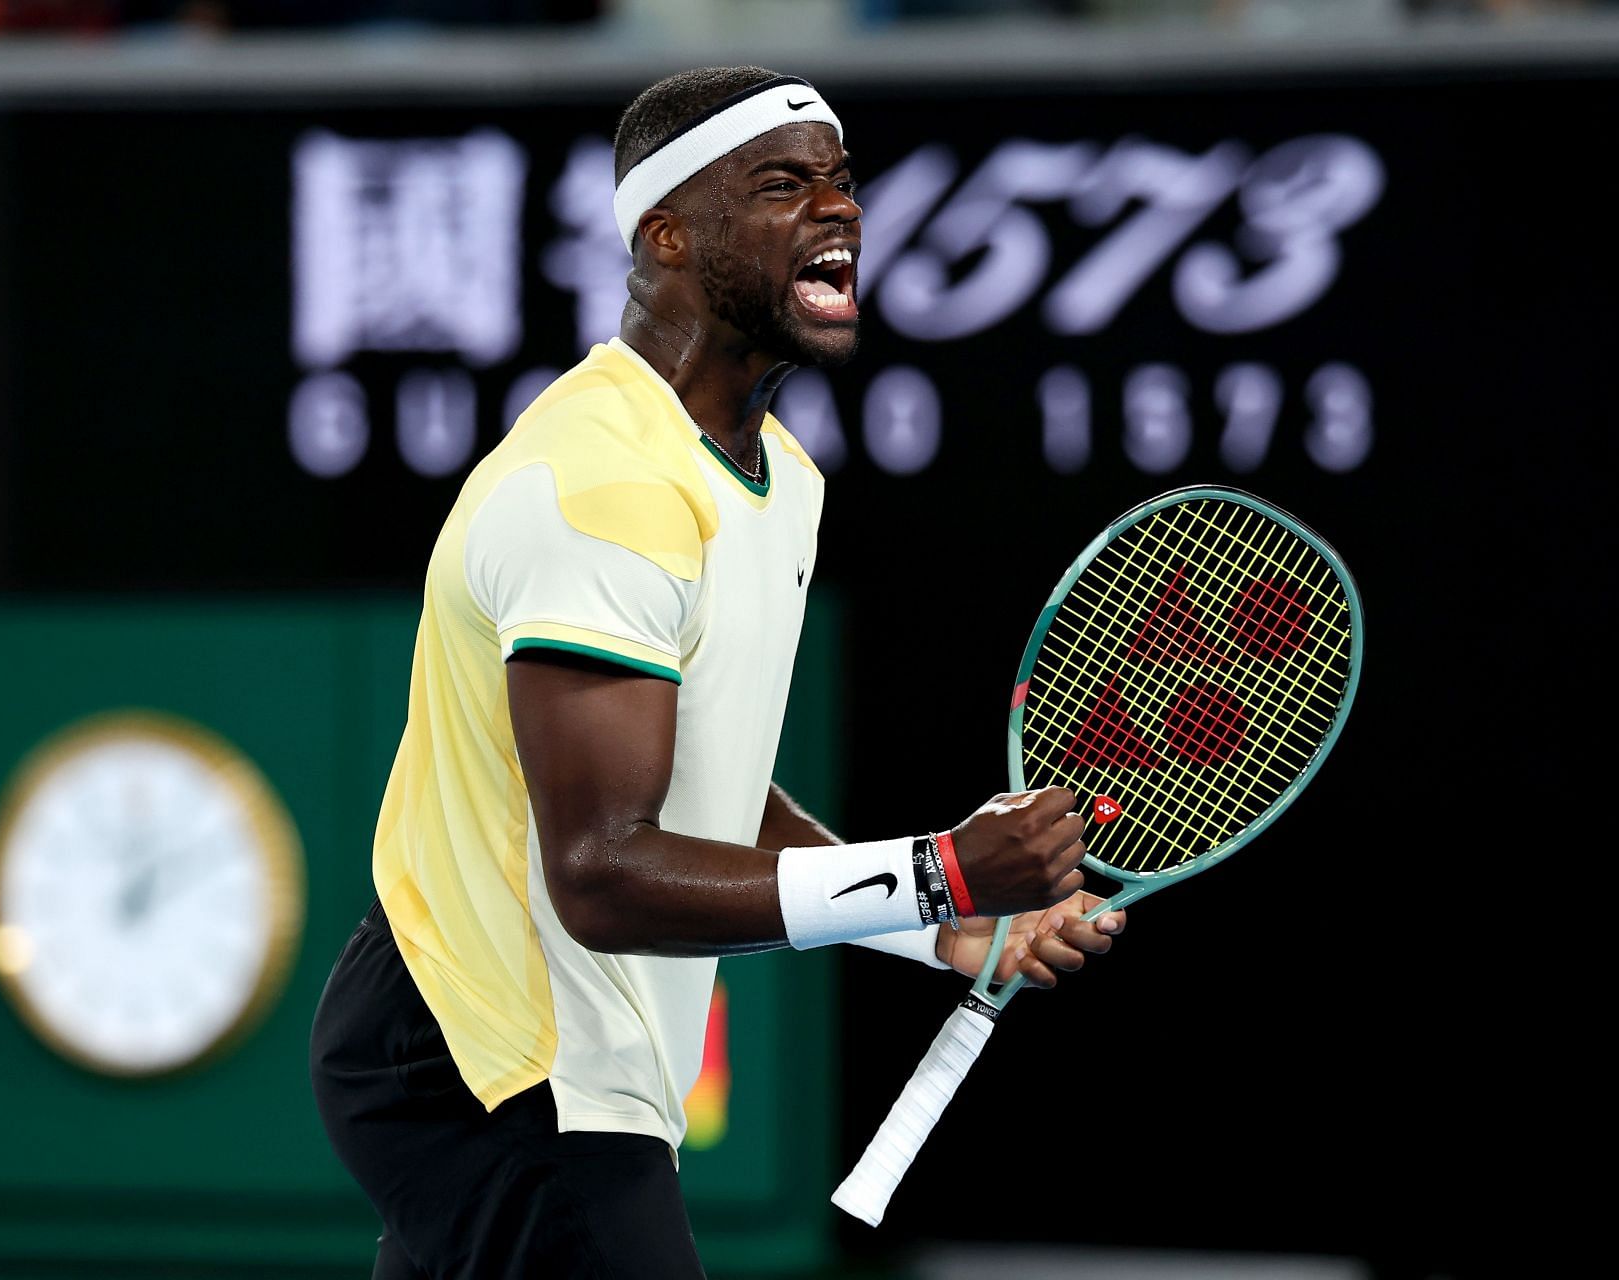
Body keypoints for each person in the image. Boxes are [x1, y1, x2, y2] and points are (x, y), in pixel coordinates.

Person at [308, 65, 1127, 1279]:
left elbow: (711, 789)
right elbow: (600, 871)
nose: (840, 211)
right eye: (785, 184)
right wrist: (937, 868)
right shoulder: (605, 488)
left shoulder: (777, 478)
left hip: (549, 1056)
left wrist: (938, 920)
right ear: (667, 236)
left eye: (842, 182)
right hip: (491, 1051)